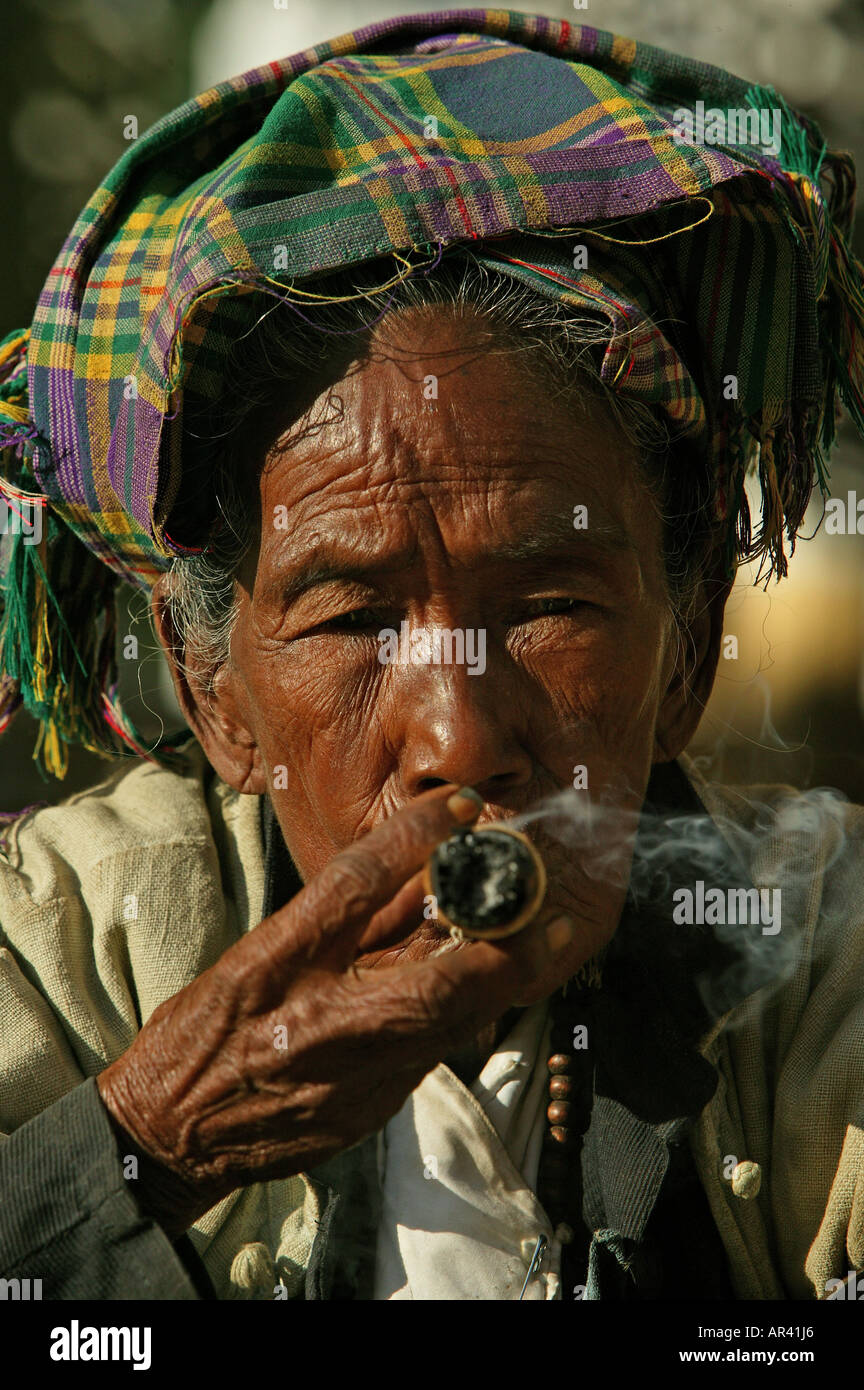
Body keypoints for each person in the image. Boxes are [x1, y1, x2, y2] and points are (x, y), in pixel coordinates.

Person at [1, 10, 863, 1301]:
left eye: (548, 602)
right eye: (354, 619)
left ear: (686, 653)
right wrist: (145, 1144)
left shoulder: (819, 965)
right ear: (213, 692)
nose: (459, 736)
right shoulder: (62, 947)